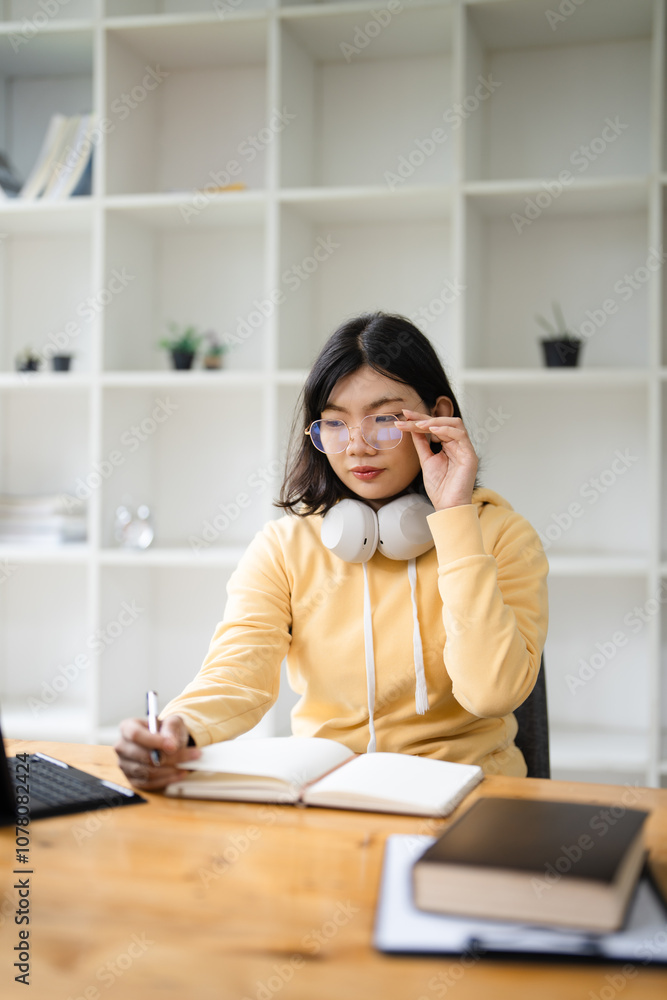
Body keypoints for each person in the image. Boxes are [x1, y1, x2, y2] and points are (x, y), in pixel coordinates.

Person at [115, 312, 548, 790]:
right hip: (332, 797)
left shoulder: (500, 535)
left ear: (438, 416)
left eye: (384, 421)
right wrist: (179, 727)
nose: (357, 447)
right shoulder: (285, 547)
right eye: (336, 425)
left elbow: (492, 693)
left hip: (471, 797)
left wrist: (455, 522)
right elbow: (238, 673)